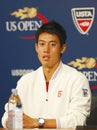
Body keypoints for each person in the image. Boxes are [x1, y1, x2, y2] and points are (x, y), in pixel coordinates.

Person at [2, 20, 91, 129]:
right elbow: (7, 117)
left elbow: (78, 120)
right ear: (36, 47)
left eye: (52, 44)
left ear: (62, 48)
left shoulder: (77, 79)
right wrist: (10, 122)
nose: (46, 50)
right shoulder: (25, 81)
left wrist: (37, 123)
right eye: (42, 44)